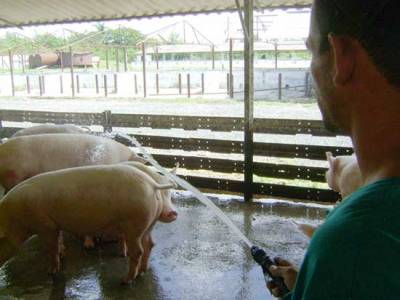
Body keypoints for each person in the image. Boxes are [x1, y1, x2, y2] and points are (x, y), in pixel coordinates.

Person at [267, 0, 400, 299]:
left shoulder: (358, 240)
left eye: (312, 51)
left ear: (342, 56)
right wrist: (306, 286)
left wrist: (331, 273)